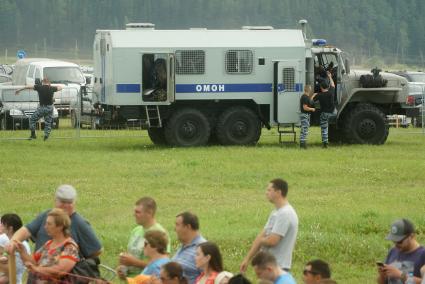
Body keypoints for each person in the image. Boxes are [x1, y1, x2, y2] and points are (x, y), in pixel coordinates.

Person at [6, 185, 102, 260]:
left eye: (69, 202)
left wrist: (75, 258)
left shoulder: (80, 223)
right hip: (38, 270)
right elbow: (26, 230)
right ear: (55, 200)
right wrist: (13, 242)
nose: (65, 206)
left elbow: (96, 250)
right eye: (63, 202)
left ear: (75, 202)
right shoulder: (47, 215)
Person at [240, 178, 298, 273]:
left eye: (269, 190)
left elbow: (272, 241)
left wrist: (261, 240)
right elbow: (262, 235)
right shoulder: (276, 212)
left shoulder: (285, 214)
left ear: (278, 192)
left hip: (278, 267)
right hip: (269, 266)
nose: (266, 193)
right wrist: (247, 259)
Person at [15, 208, 79, 283]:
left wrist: (36, 269)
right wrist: (23, 251)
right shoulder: (48, 244)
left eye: (49, 224)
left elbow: (60, 271)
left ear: (60, 226)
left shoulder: (70, 246)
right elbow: (33, 262)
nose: (45, 227)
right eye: (46, 223)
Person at [117, 197, 170, 279]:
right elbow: (130, 255)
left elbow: (163, 266)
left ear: (149, 213)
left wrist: (134, 262)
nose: (134, 214)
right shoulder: (136, 230)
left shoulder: (159, 233)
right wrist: (123, 268)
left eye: (137, 212)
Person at [377, 218, 425, 284]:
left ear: (412, 236)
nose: (396, 245)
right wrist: (382, 275)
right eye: (394, 241)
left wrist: (400, 275)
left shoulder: (422, 254)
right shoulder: (393, 251)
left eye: (399, 242)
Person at [172, 212, 207, 284]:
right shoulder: (184, 246)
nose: (174, 229)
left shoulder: (203, 249)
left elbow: (209, 278)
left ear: (188, 227)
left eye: (177, 225)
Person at [0, 214, 31, 284]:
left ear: (10, 228)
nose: (1, 226)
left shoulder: (21, 245)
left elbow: (16, 269)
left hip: (14, 275)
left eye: (3, 224)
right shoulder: (5, 237)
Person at [313, 71, 335, 148]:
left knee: (324, 128)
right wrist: (330, 77)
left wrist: (314, 95)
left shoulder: (319, 95)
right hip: (332, 113)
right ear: (327, 87)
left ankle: (325, 143)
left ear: (321, 88)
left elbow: (310, 101)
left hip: (324, 113)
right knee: (328, 125)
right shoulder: (331, 92)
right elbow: (333, 85)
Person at [299, 85, 316, 149]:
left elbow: (309, 101)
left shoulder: (306, 97)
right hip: (305, 115)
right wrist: (312, 109)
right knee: (304, 130)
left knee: (304, 130)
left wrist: (313, 96)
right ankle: (303, 145)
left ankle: (302, 144)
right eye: (311, 89)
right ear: (309, 90)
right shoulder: (305, 97)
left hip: (305, 115)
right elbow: (305, 107)